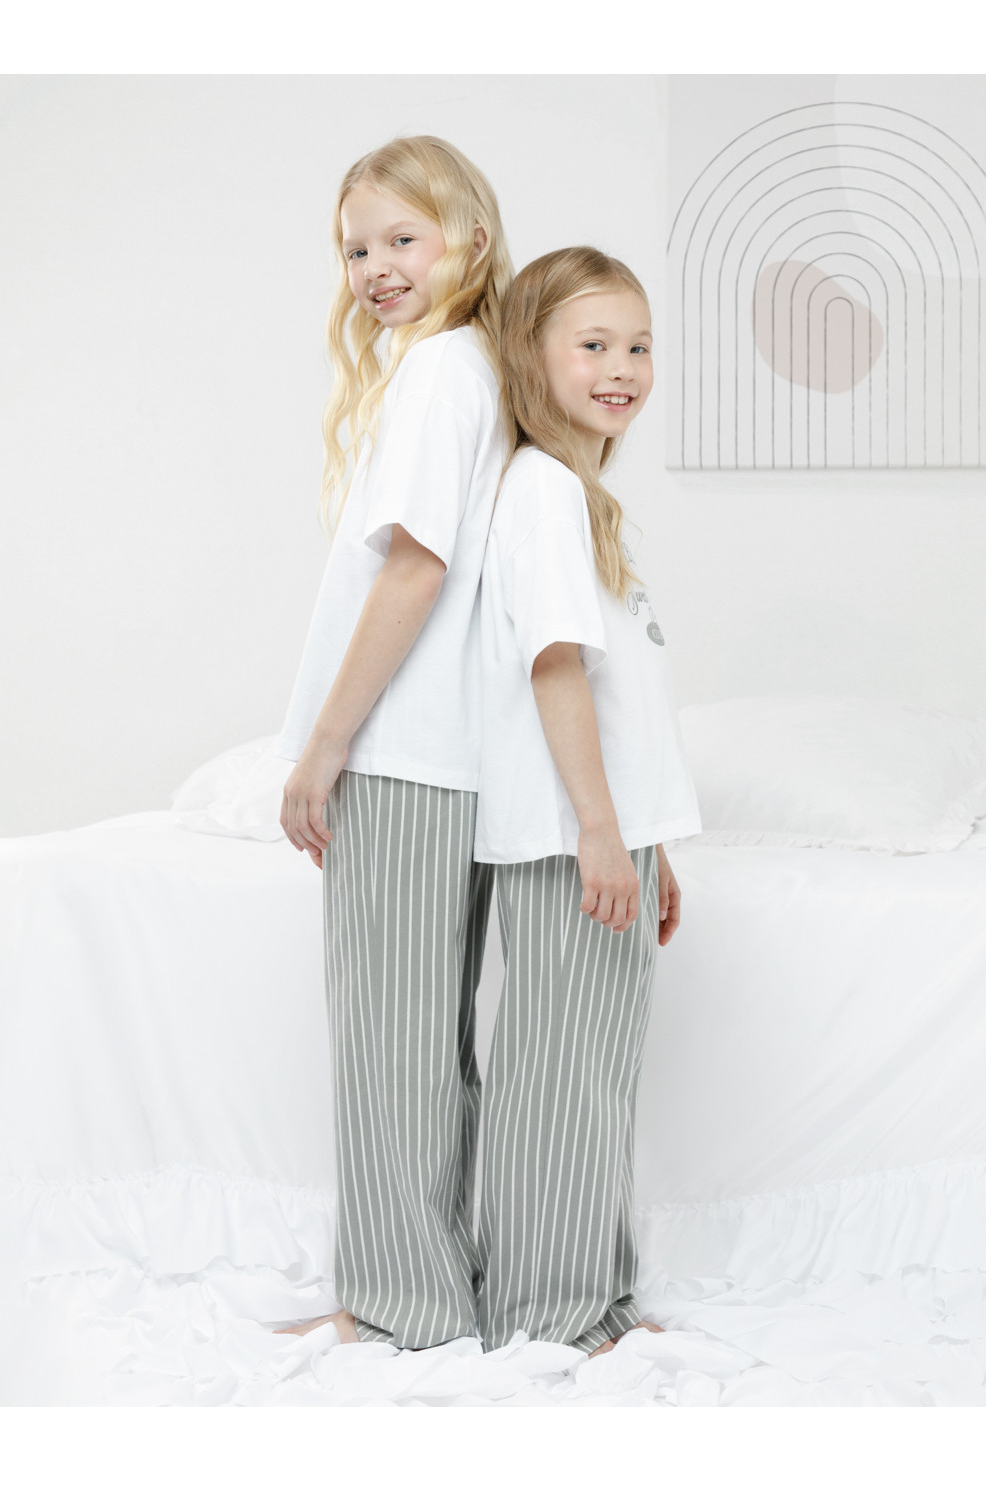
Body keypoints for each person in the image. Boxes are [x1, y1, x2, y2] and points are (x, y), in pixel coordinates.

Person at [275, 135, 512, 1349]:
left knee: (389, 1042)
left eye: (400, 238)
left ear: (469, 237)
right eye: (355, 247)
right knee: (422, 1041)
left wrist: (322, 748)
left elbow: (414, 569)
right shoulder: (473, 369)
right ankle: (430, 1287)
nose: (373, 266)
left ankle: (397, 1304)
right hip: (446, 756)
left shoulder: (436, 376)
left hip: (401, 753)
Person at [473, 246, 702, 1356]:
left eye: (638, 346)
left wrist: (649, 843)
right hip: (573, 840)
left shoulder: (580, 494)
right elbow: (554, 668)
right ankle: (548, 1309)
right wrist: (601, 836)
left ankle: (591, 1296)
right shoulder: (544, 491)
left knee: (593, 1073)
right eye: (595, 345)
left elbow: (622, 703)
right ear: (532, 355)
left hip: (608, 839)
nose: (623, 369)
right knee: (561, 1078)